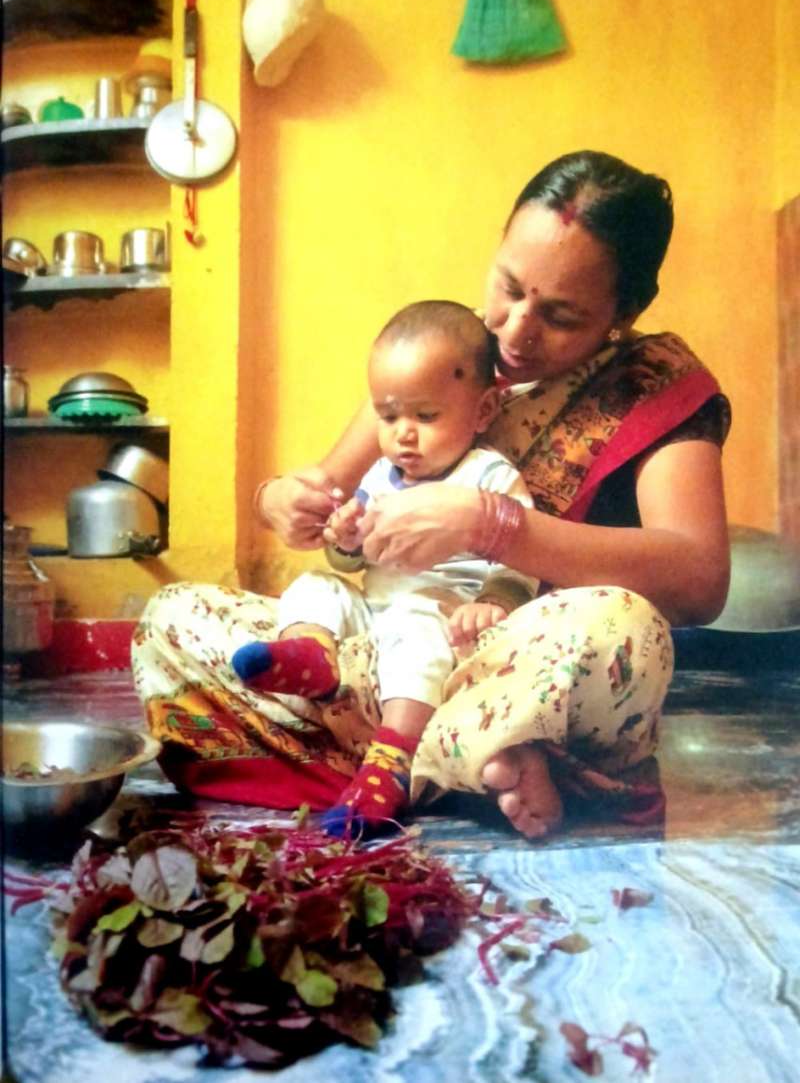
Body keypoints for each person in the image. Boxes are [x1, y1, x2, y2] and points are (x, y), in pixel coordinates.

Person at [132, 150, 731, 839]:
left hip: (524, 664)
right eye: (508, 286)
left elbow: (699, 581)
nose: (515, 329)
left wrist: (492, 525)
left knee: (624, 628)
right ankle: (475, 759)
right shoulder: (450, 353)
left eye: (561, 315)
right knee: (173, 618)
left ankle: (426, 756)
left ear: (624, 312)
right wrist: (279, 500)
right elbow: (324, 490)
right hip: (391, 655)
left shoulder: (652, 383)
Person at [229, 300, 537, 833]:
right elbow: (349, 559)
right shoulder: (378, 476)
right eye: (388, 417)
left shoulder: (489, 475)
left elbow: (520, 561)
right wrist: (346, 538)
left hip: (443, 623)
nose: (403, 435)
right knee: (317, 583)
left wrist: (493, 602)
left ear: (484, 410)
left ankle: (392, 760)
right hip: (372, 622)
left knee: (415, 622)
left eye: (425, 416)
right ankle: (311, 654)